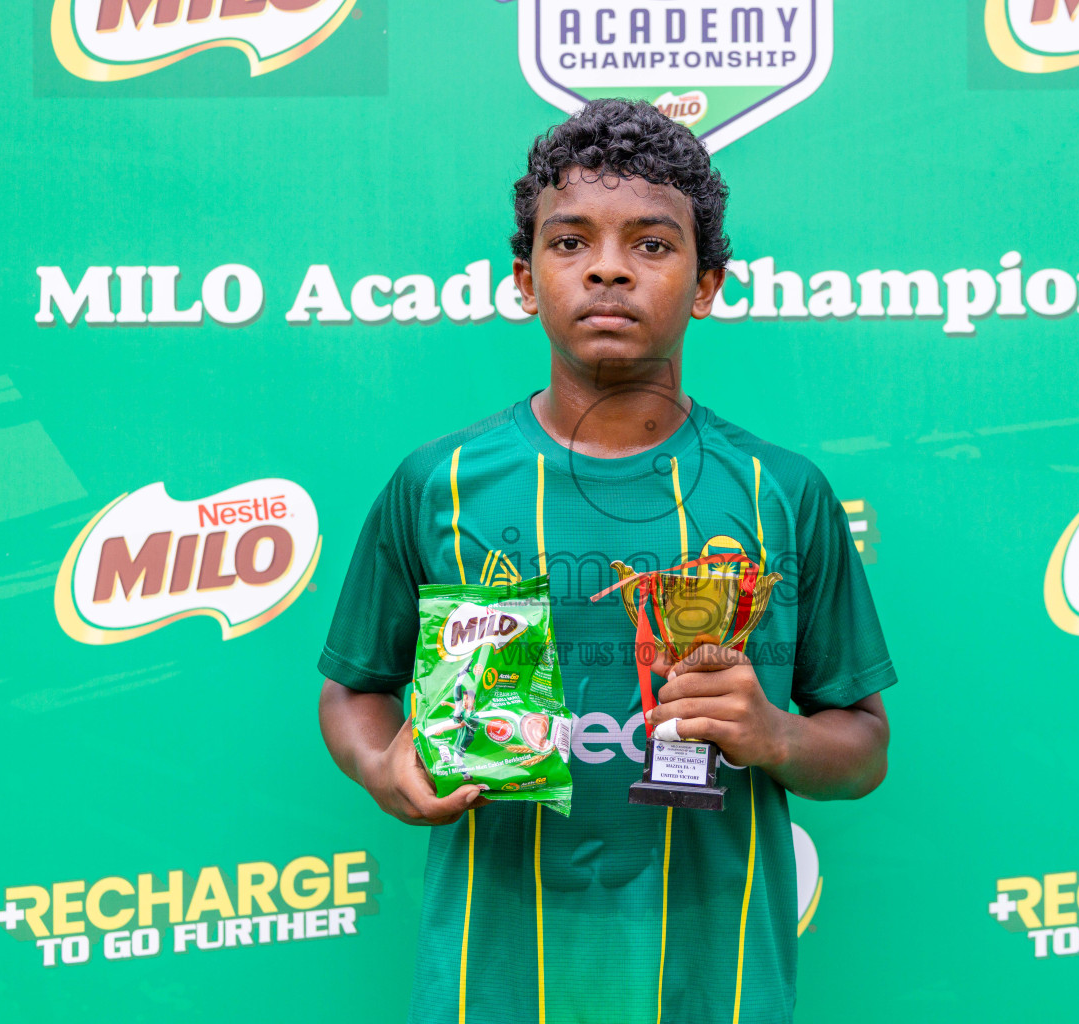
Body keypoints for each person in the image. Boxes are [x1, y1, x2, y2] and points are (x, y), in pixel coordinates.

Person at [318, 99, 896, 1024]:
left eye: (653, 245)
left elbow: (863, 743)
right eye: (571, 241)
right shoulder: (441, 483)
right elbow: (354, 689)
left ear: (709, 283)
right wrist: (380, 764)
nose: (609, 267)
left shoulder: (781, 491)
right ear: (525, 278)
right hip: (490, 976)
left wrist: (775, 736)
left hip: (719, 979)